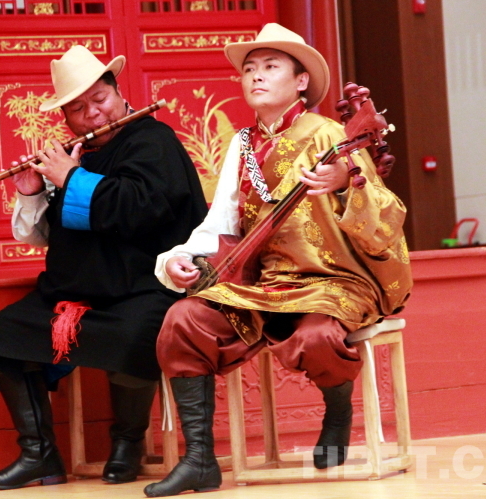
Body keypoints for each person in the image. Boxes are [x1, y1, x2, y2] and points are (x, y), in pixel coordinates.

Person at [144, 23, 412, 497]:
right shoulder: (242, 144)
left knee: (318, 336)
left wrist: (344, 184)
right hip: (264, 283)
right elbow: (221, 221)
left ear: (301, 81)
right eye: (250, 69)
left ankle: (338, 407)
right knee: (183, 319)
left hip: (333, 279)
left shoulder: (331, 134)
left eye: (271, 67)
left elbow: (386, 215)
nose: (257, 76)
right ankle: (199, 459)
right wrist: (177, 259)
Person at [0, 45, 208, 490]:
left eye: (100, 99)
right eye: (78, 108)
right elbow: (48, 235)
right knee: (3, 337)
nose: (93, 113)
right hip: (79, 291)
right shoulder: (75, 154)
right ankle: (39, 454)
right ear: (66, 118)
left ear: (118, 93)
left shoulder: (153, 140)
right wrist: (31, 191)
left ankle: (127, 444)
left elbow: (142, 208)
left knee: (135, 336)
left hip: (147, 285)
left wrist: (72, 179)